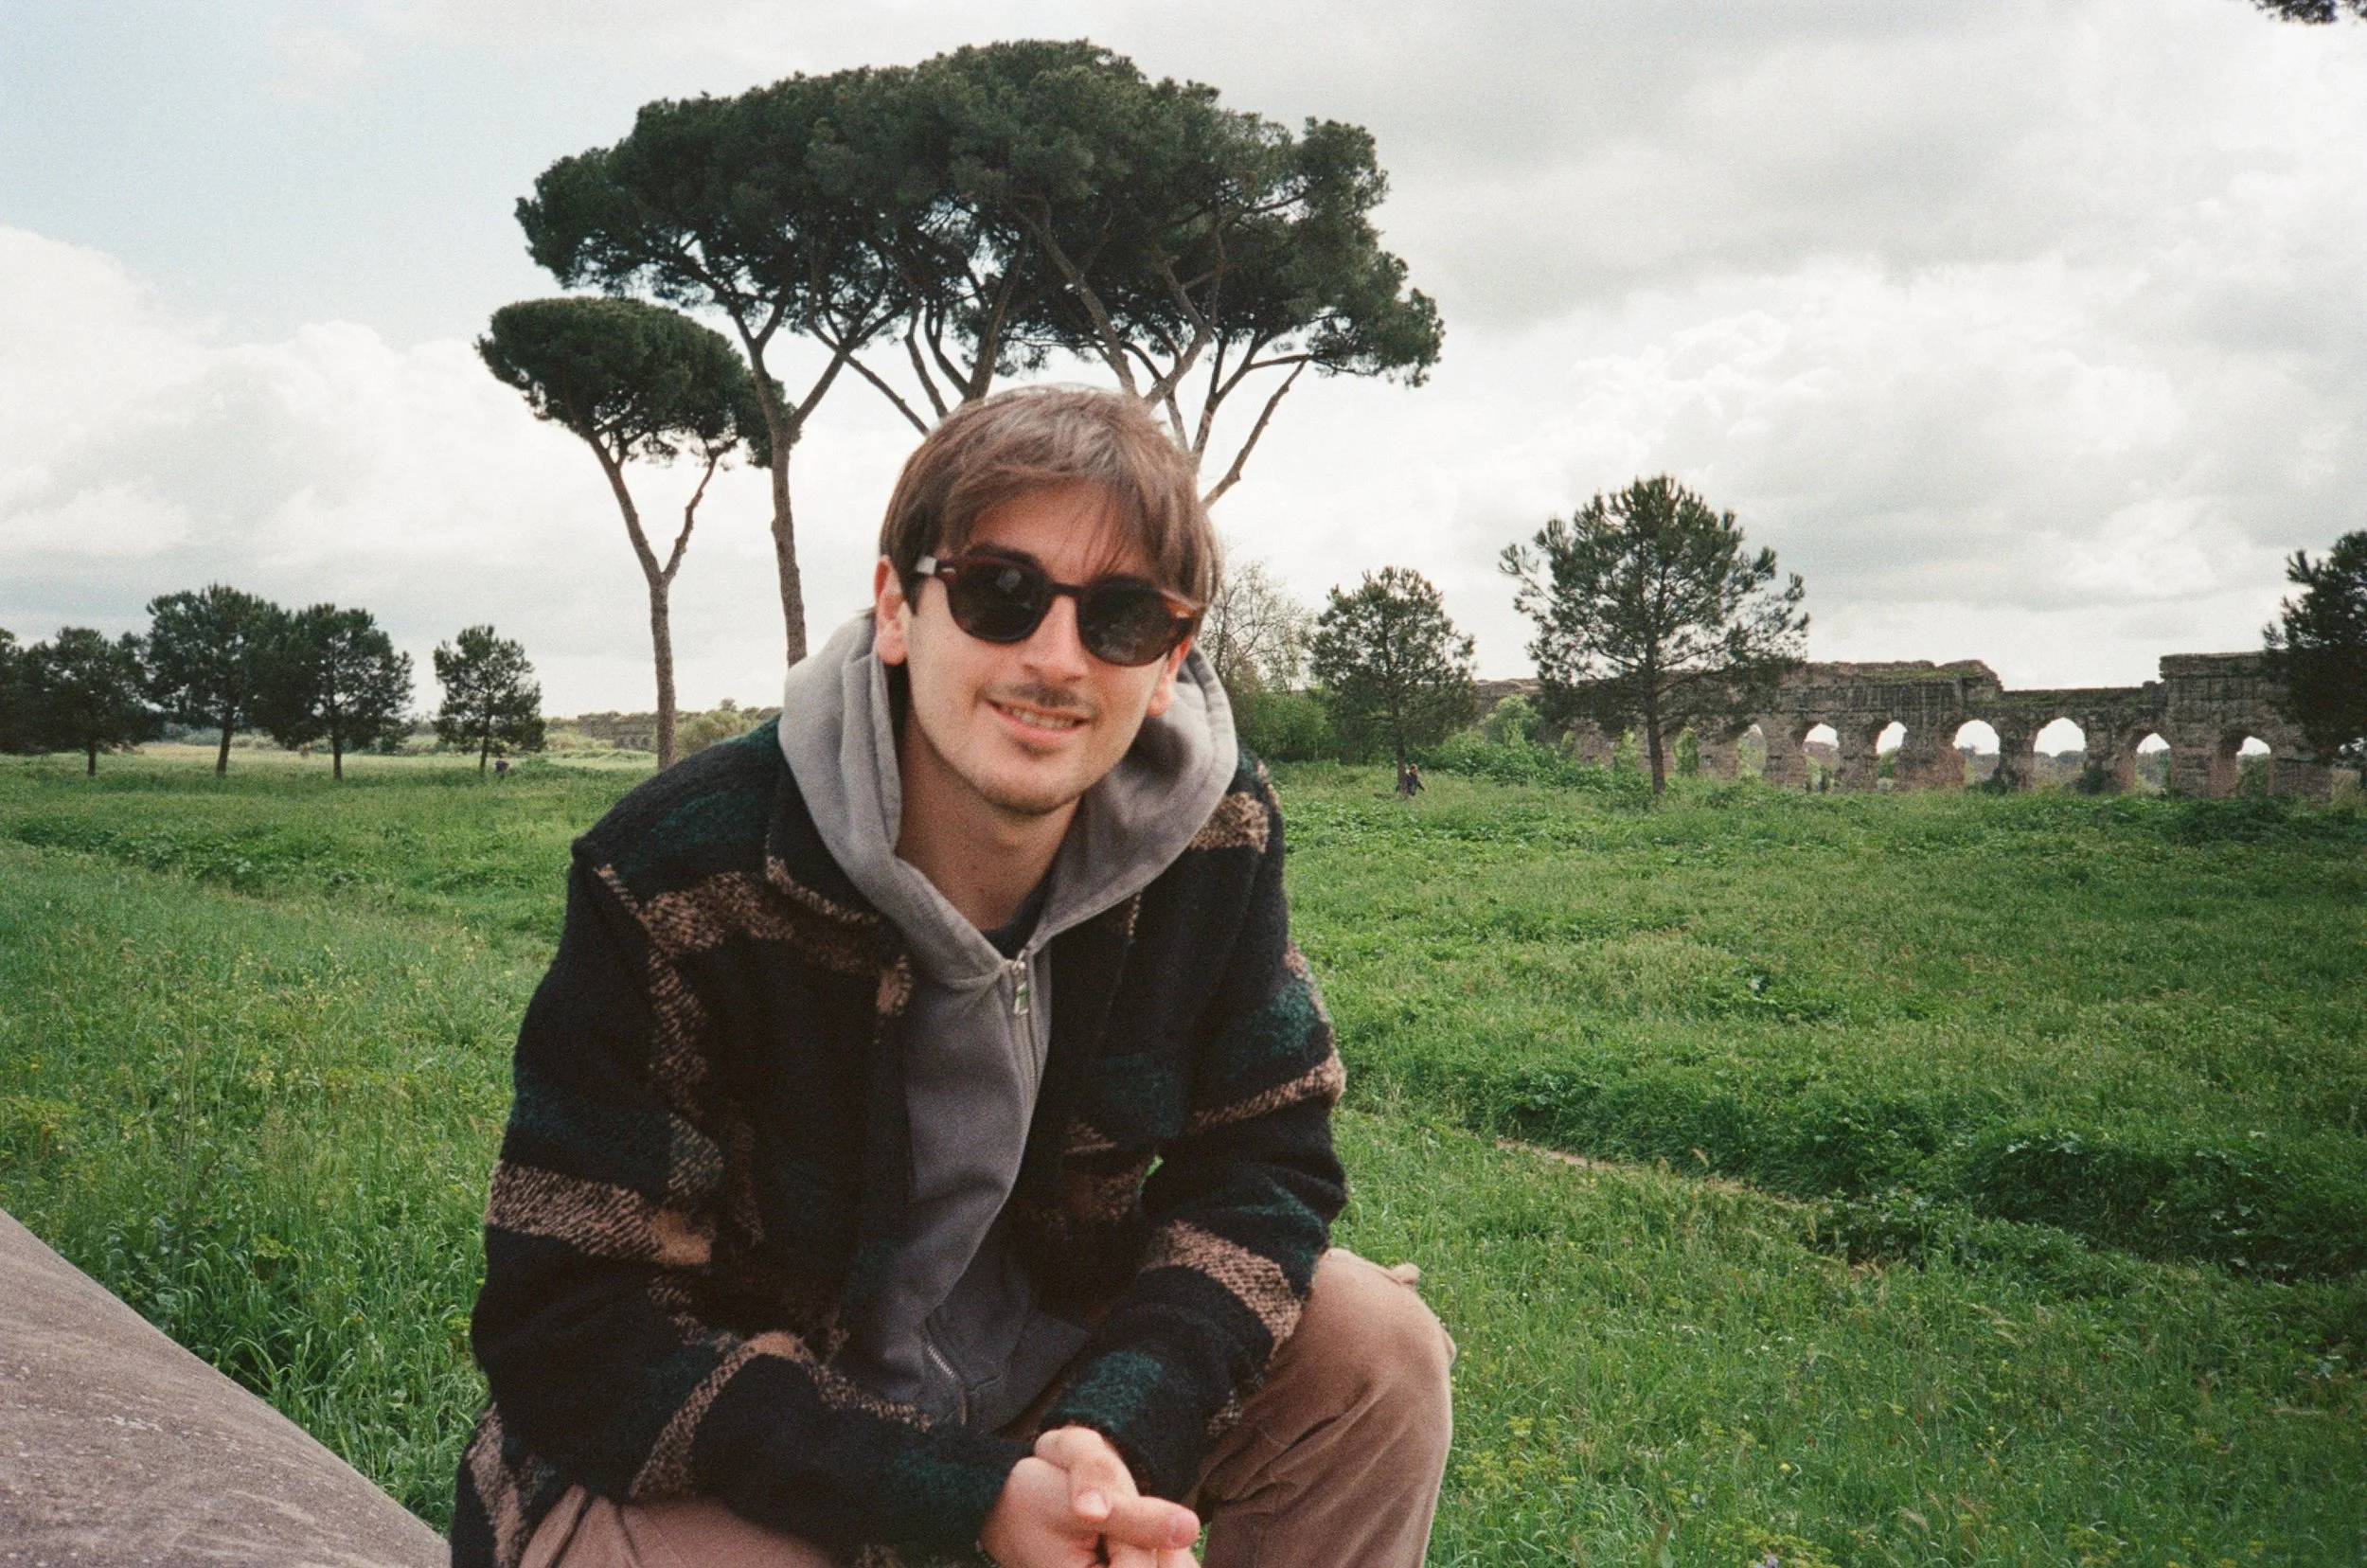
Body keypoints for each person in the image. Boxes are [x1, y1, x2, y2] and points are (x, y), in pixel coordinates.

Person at [453, 387, 1453, 1568]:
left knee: (1375, 1348)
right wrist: (958, 1496)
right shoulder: (679, 867)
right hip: (748, 1442)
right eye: (999, 592)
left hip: (1044, 1391)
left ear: (1171, 660)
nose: (1053, 658)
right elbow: (574, 1323)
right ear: (896, 607)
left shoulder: (1211, 838)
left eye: (1122, 618)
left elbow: (1264, 1160)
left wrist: (1116, 1432)